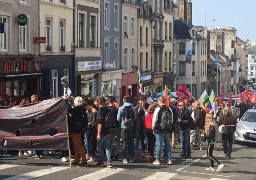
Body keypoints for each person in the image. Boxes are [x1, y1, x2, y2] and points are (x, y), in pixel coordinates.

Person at [152, 96, 173, 165]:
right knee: (168, 144)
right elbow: (171, 119)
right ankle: (169, 159)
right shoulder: (169, 109)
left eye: (158, 101)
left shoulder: (158, 109)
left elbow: (154, 119)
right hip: (167, 129)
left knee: (159, 144)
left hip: (159, 129)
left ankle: (157, 159)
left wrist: (153, 128)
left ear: (160, 101)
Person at [68, 96, 88, 166]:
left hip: (75, 129)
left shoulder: (76, 110)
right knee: (75, 145)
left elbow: (69, 110)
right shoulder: (82, 109)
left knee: (78, 145)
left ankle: (84, 160)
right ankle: (77, 158)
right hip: (79, 129)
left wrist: (68, 103)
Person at [117, 95, 137, 163]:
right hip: (131, 126)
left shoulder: (121, 108)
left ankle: (125, 157)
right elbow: (135, 118)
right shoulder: (133, 108)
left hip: (123, 127)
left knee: (124, 142)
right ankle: (131, 157)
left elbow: (118, 118)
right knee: (131, 141)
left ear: (123, 100)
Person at [94, 96, 113, 168]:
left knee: (100, 147)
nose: (94, 103)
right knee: (107, 147)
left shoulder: (100, 110)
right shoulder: (107, 108)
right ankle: (109, 162)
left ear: (98, 101)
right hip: (108, 130)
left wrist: (98, 133)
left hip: (102, 131)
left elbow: (100, 122)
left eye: (95, 101)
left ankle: (101, 161)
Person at [107, 96, 120, 161]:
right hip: (116, 126)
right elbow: (118, 118)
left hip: (109, 126)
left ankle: (110, 154)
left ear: (108, 101)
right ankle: (116, 154)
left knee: (110, 141)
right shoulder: (116, 109)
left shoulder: (106, 109)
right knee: (117, 140)